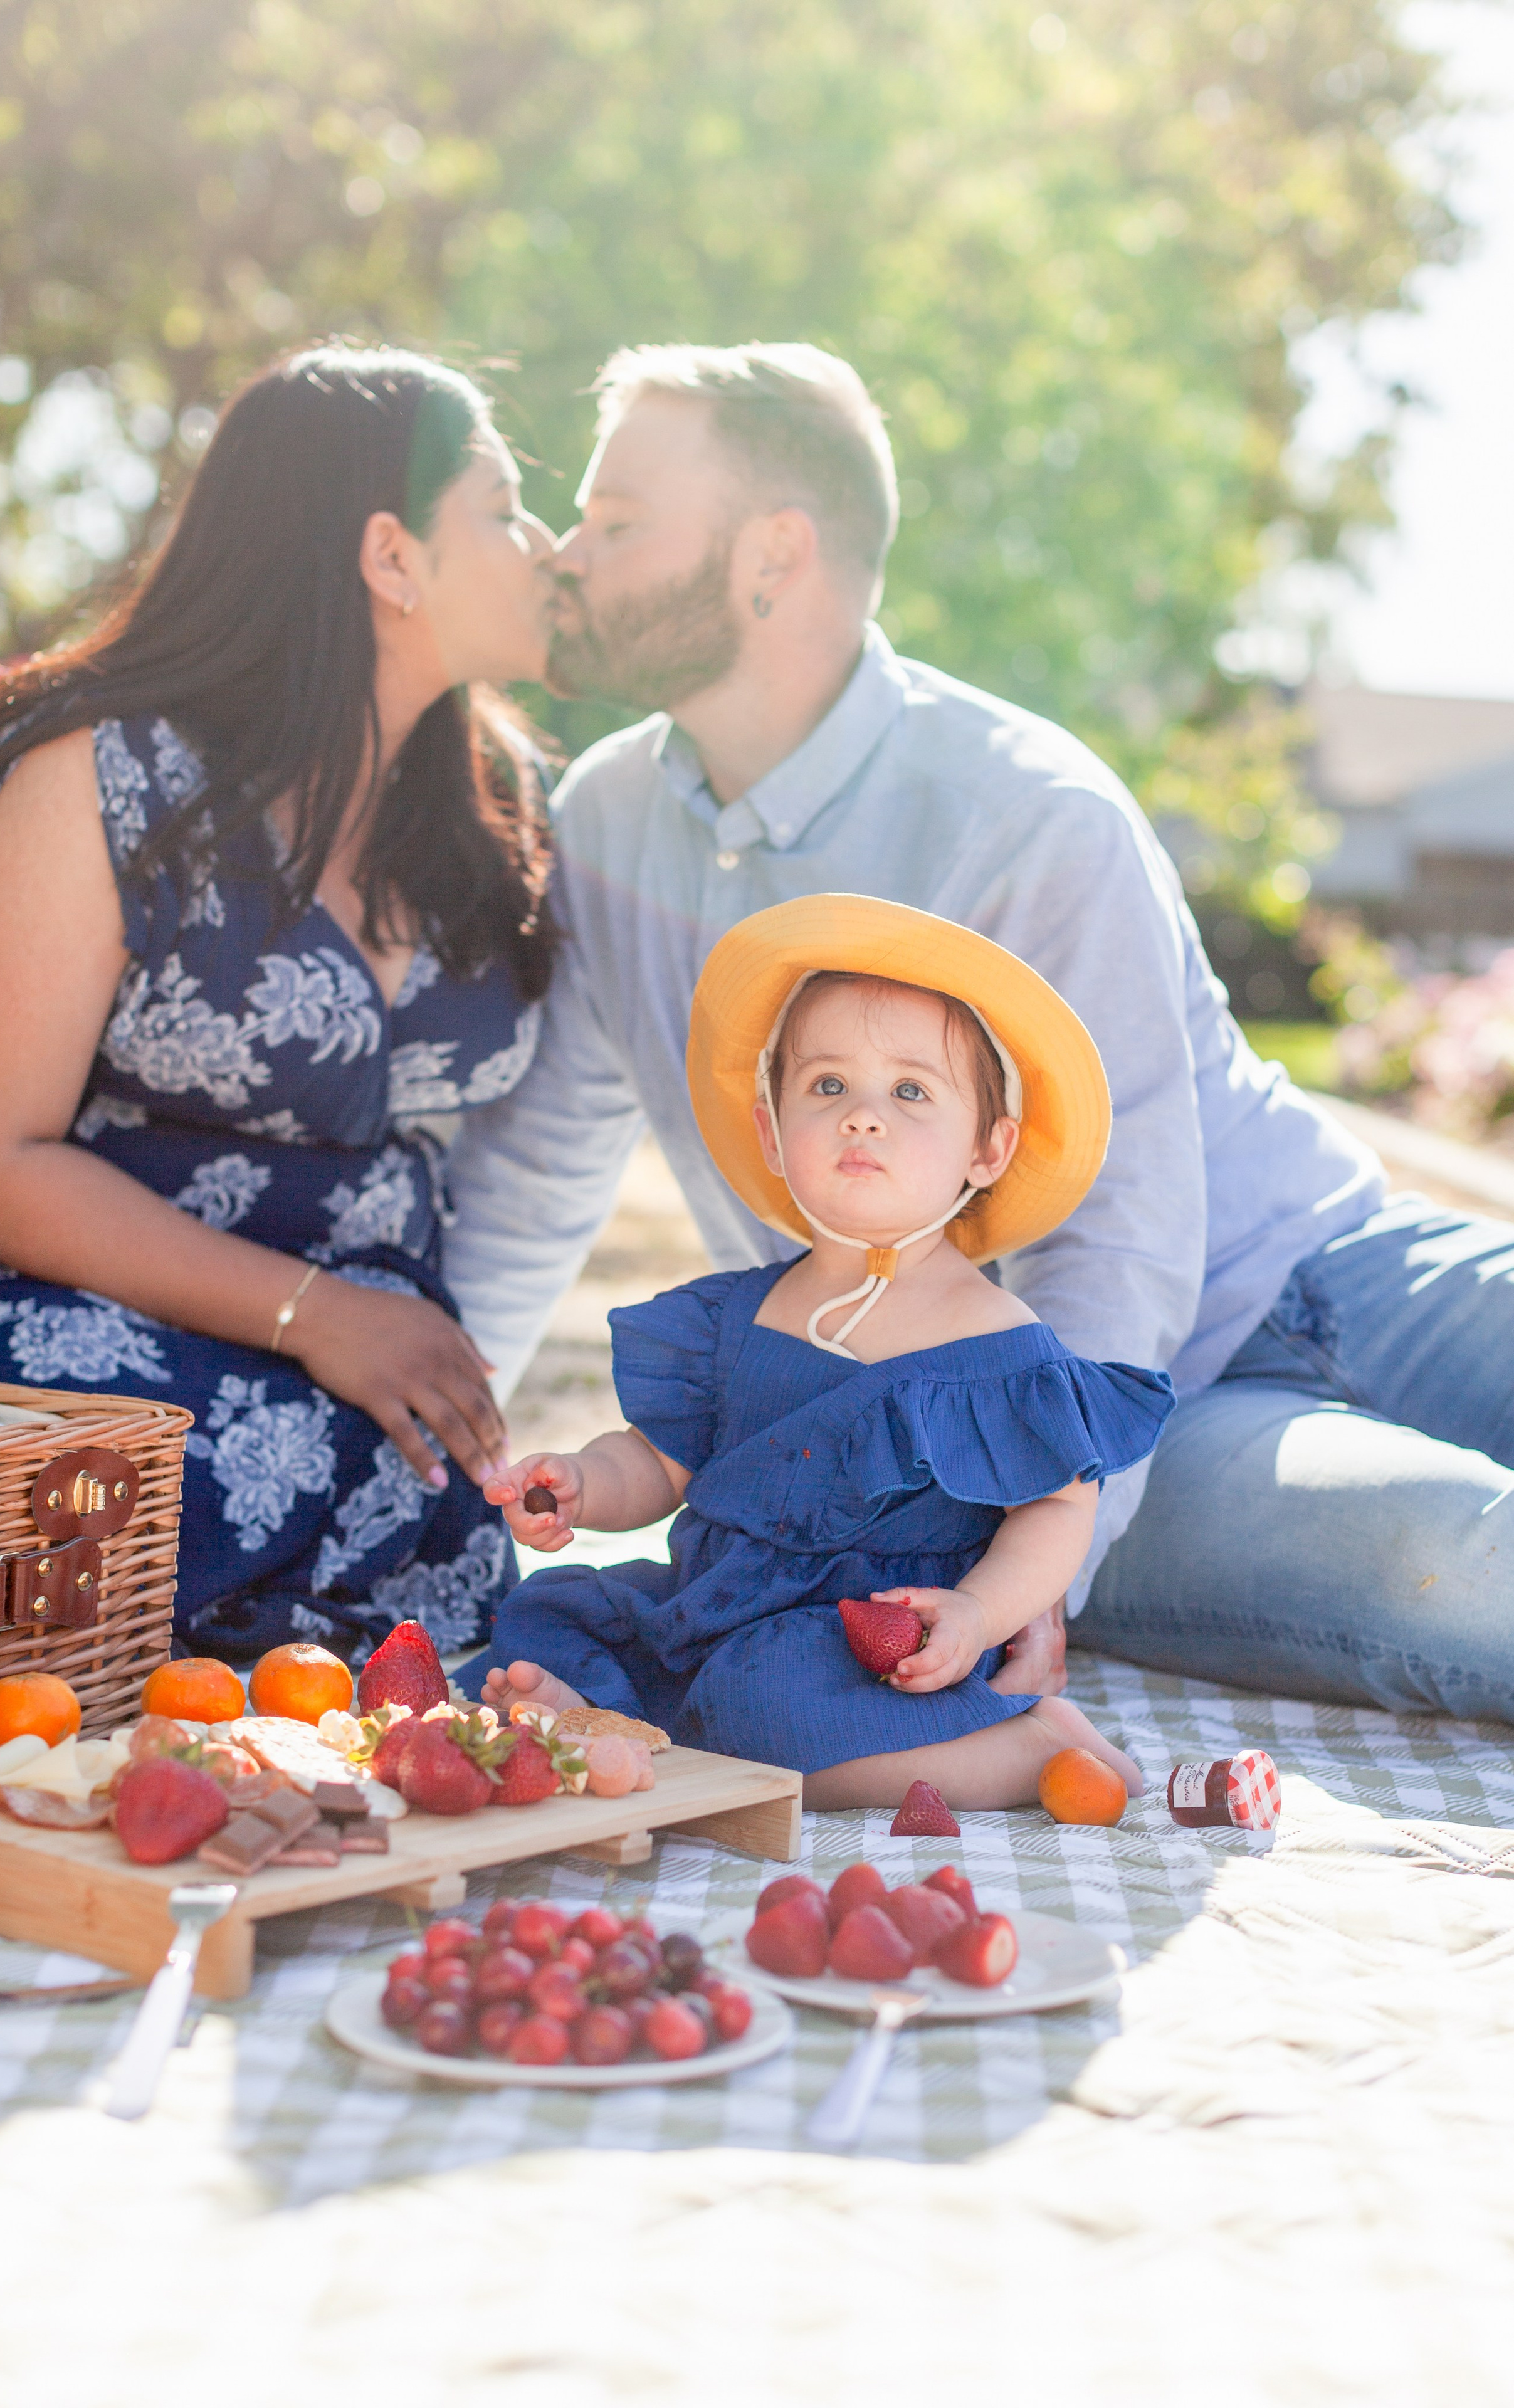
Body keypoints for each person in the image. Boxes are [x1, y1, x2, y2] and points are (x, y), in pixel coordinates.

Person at [446, 340, 1514, 1725]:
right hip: (1112, 1423)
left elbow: (1120, 1218)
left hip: (1329, 1257)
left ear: (772, 556)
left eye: (616, 518)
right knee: (1462, 1562)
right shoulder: (599, 826)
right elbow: (532, 1183)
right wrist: (1022, 1567)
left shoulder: (1025, 810)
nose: (565, 552)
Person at [0, 345, 557, 1666]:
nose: (540, 542)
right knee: (203, 1488)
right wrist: (314, 1314)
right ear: (392, 558)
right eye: (499, 506)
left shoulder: (490, 797)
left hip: (375, 1391)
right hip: (88, 1338)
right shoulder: (99, 775)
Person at [460, 897, 1172, 1804]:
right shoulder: (736, 1313)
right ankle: (619, 1727)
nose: (862, 1117)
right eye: (828, 1086)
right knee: (547, 1612)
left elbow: (1056, 1512)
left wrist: (982, 1612)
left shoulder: (999, 1344)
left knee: (772, 1699)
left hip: (871, 1640)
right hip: (710, 1602)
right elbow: (662, 1460)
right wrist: (585, 1481)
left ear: (989, 1151)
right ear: (771, 1131)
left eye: (911, 1091)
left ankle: (1021, 1749)